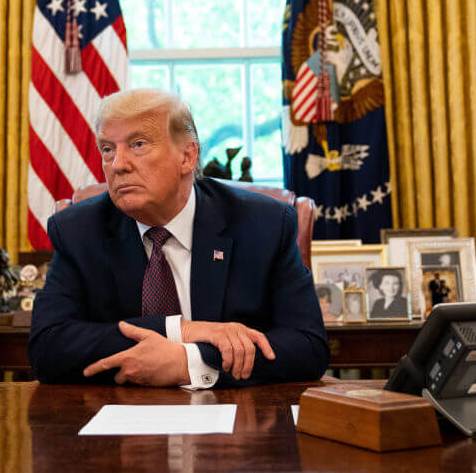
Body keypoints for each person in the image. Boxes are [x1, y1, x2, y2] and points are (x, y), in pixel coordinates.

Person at [29, 88, 329, 388]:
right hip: (119, 423)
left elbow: (307, 347)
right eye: (107, 149)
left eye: (138, 144)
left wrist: (190, 362)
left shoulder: (264, 225)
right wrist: (182, 331)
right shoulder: (80, 230)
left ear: (187, 156)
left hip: (236, 421)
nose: (118, 164)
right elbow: (48, 347)